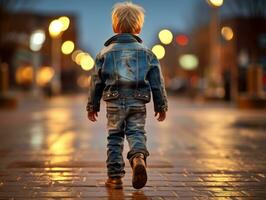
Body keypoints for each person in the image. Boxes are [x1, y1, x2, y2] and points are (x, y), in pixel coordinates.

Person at [86, 1, 168, 189]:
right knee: (136, 132)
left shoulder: (104, 53)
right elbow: (157, 83)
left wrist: (92, 106)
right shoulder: (148, 54)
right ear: (138, 27)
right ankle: (138, 157)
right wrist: (161, 106)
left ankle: (114, 177)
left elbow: (96, 83)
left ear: (115, 26)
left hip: (114, 102)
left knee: (114, 137)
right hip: (138, 101)